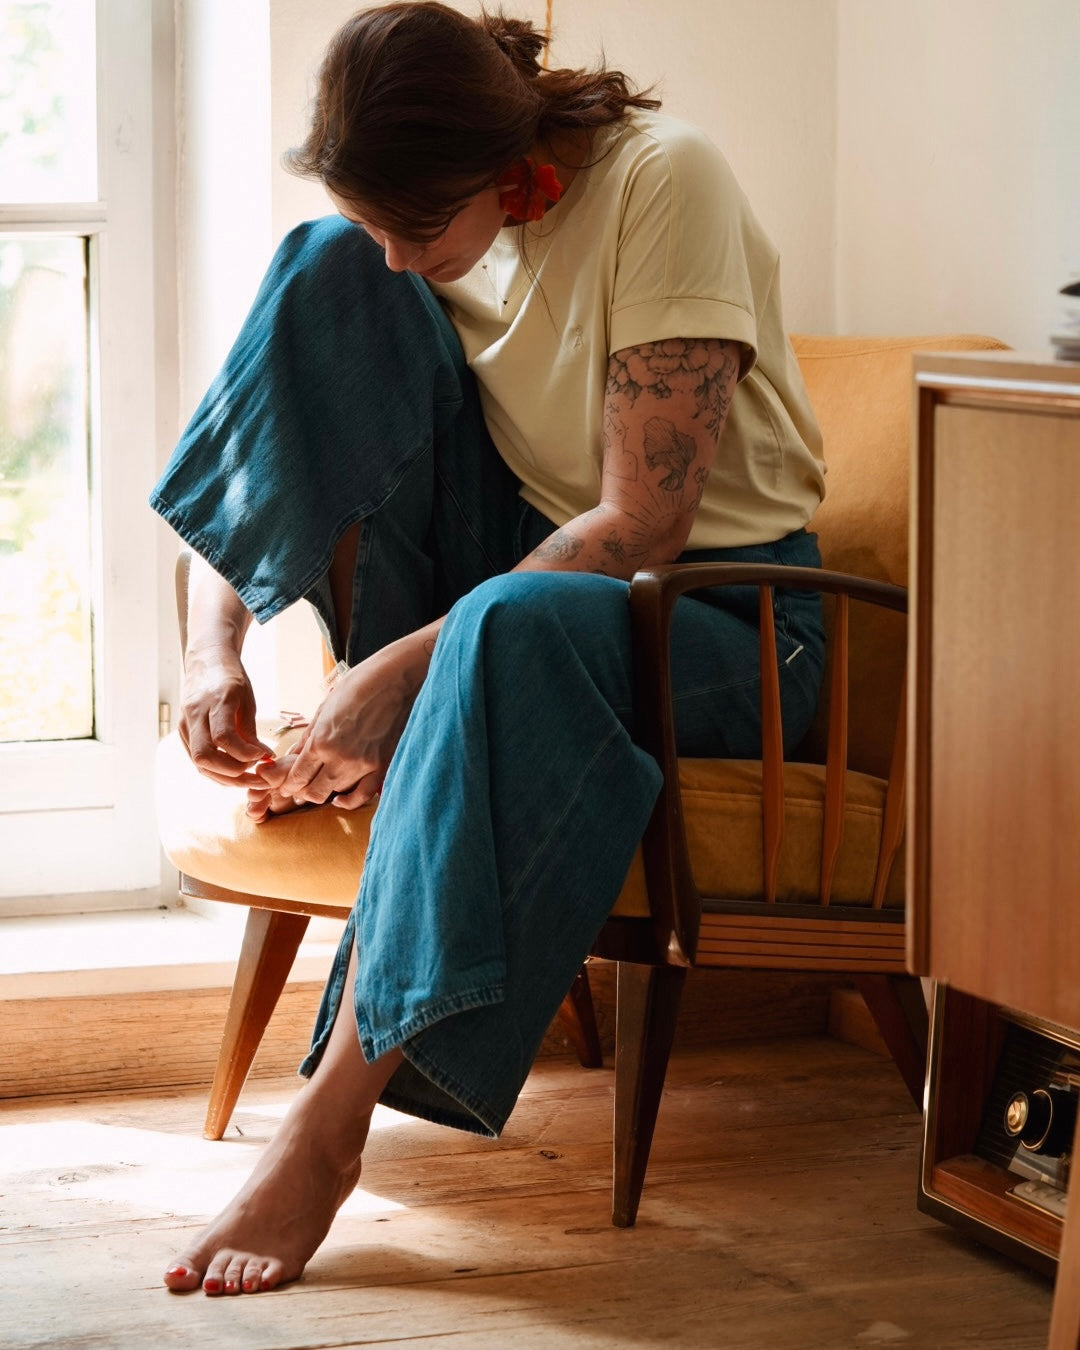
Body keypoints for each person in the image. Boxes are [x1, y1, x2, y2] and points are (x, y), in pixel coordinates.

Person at [151, 1, 827, 1297]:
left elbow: (645, 520)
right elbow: (347, 309)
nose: (407, 261)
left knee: (501, 628)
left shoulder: (660, 180)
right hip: (535, 574)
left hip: (732, 612)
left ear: (509, 175)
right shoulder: (410, 247)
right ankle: (246, 654)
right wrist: (211, 649)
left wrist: (391, 673)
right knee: (321, 270)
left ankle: (326, 1125)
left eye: (419, 228)